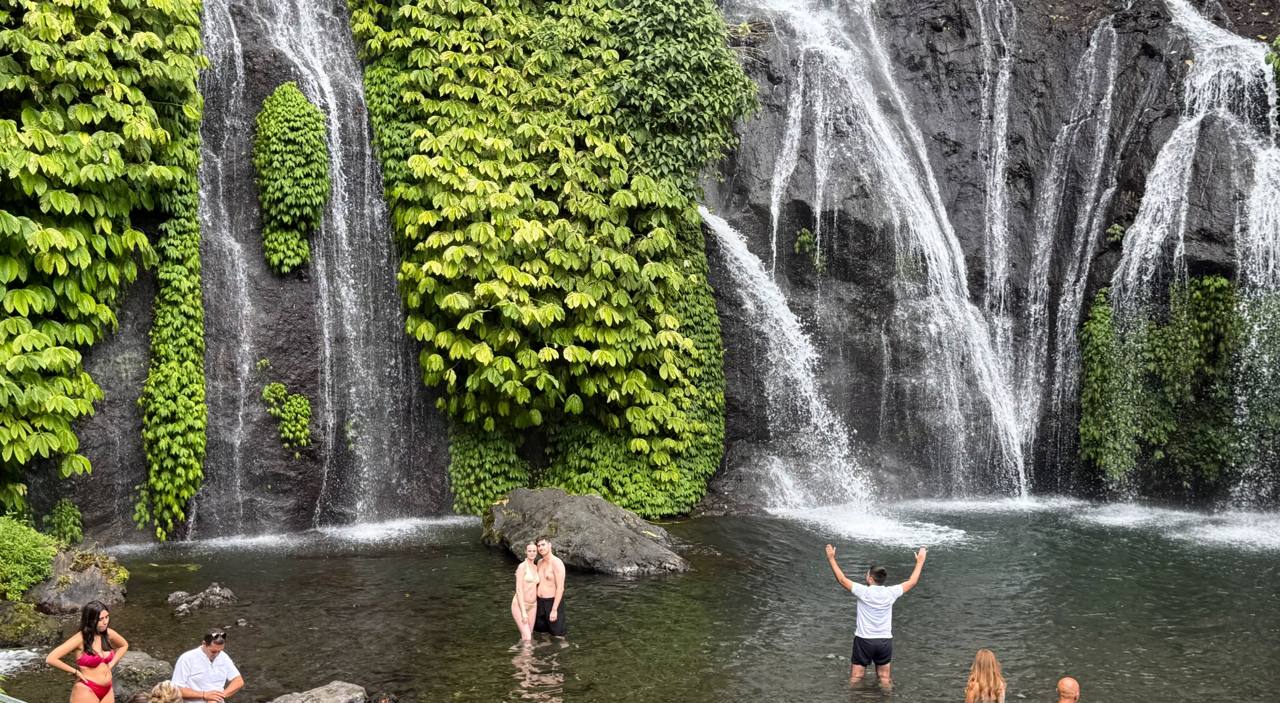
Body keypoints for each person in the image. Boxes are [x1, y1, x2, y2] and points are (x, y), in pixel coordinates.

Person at [823, 544, 927, 686]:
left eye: (867, 574)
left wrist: (831, 558)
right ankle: (886, 696)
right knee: (884, 677)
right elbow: (912, 581)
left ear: (871, 579)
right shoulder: (891, 592)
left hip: (864, 640)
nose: (865, 576)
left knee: (856, 677)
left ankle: (855, 696)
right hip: (884, 640)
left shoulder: (863, 591)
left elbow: (841, 579)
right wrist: (920, 561)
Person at [45, 600, 129, 702]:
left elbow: (124, 645)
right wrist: (75, 672)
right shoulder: (80, 638)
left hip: (108, 689)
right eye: (100, 619)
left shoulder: (108, 634)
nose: (105, 622)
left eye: (107, 617)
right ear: (91, 620)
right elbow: (51, 658)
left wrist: (111, 664)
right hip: (87, 688)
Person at [171, 631, 244, 701]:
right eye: (213, 651)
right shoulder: (187, 658)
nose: (217, 655)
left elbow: (238, 681)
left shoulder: (223, 656)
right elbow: (175, 689)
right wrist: (204, 695)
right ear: (204, 644)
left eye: (220, 651)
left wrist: (219, 697)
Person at [533, 535, 566, 637]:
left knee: (558, 635)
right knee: (542, 633)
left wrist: (554, 609)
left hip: (552, 602)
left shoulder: (557, 563)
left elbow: (560, 588)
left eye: (543, 544)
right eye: (539, 546)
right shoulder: (539, 562)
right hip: (539, 602)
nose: (541, 548)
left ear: (550, 545)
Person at [511, 542, 540, 641]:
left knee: (528, 635)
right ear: (525, 552)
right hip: (520, 605)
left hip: (533, 606)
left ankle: (518, 649)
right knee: (527, 638)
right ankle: (523, 651)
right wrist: (523, 612)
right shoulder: (522, 567)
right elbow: (519, 589)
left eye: (534, 551)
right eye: (529, 551)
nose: (532, 553)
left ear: (536, 552)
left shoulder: (536, 567)